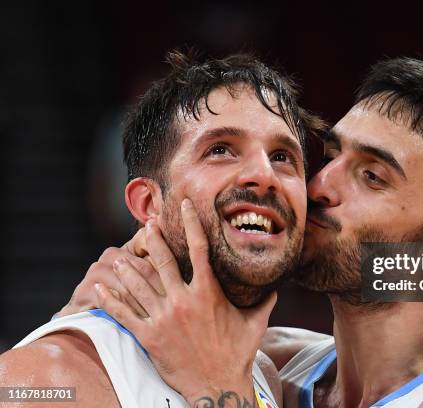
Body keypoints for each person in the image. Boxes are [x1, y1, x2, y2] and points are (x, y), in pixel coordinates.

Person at [51, 57, 423, 407]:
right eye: (333, 155)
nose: (318, 186)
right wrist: (89, 311)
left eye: (371, 176)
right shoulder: (277, 363)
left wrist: (219, 388)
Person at [0, 51, 324, 408]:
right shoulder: (43, 380)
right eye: (220, 150)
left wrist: (220, 386)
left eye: (282, 157)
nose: (265, 175)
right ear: (148, 204)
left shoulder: (264, 376)